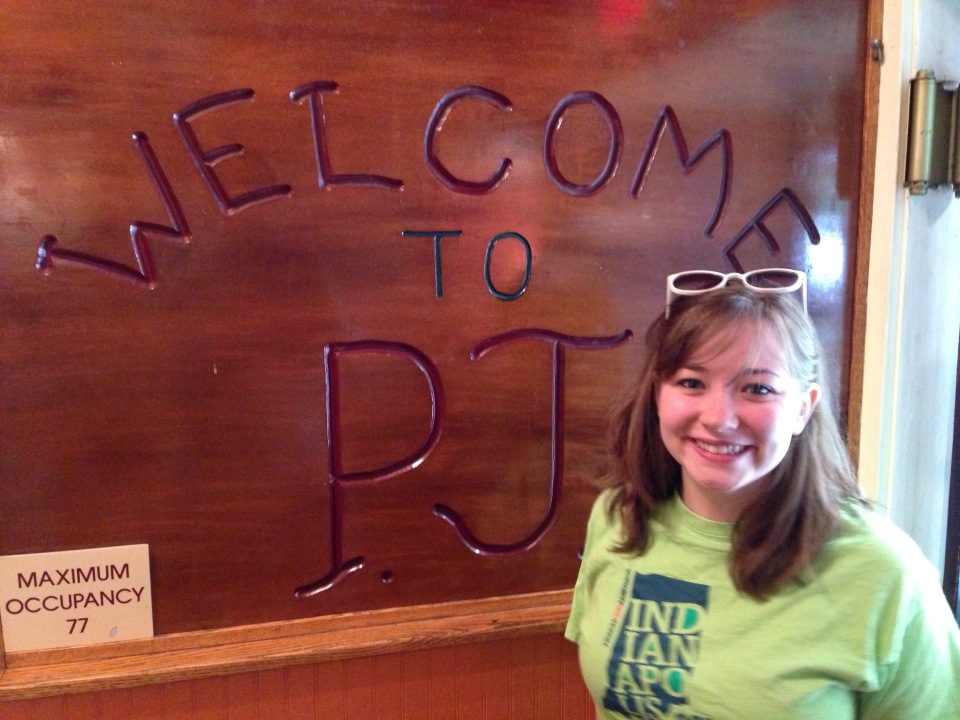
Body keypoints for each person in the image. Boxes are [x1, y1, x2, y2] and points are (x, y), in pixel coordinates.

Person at [565, 269, 960, 719]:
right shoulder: (616, 518)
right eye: (691, 382)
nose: (718, 418)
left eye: (757, 388)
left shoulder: (885, 571)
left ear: (803, 408)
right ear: (658, 394)